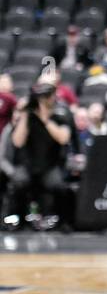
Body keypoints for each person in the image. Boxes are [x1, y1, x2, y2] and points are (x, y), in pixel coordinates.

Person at [6, 80, 74, 228]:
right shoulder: (28, 116)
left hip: (50, 164)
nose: (42, 101)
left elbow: (64, 138)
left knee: (58, 185)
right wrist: (24, 115)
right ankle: (18, 219)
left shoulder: (60, 114)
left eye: (46, 97)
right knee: (18, 182)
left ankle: (63, 221)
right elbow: (17, 142)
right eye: (40, 97)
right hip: (28, 164)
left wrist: (45, 119)